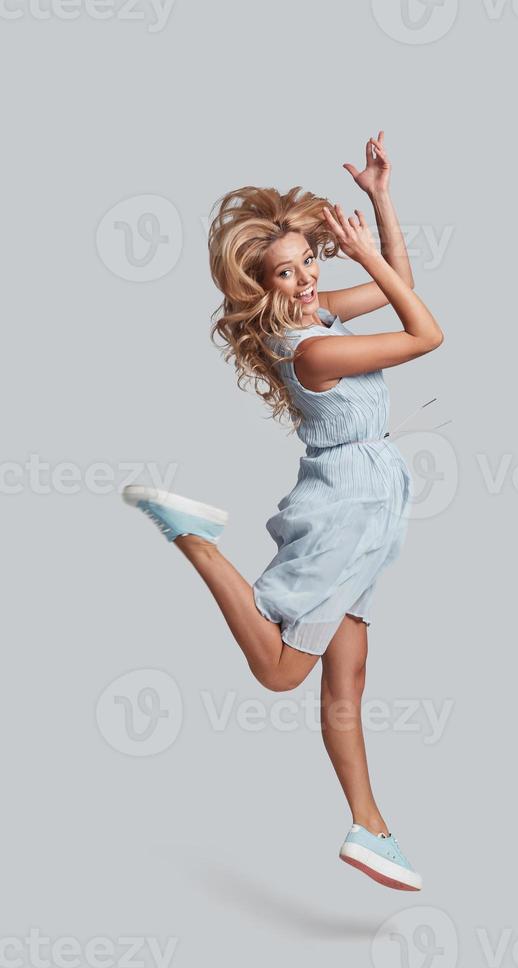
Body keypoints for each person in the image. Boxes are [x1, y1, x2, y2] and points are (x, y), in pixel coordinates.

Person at [122, 132, 443, 891]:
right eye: (285, 272)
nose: (303, 280)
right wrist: (364, 259)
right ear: (262, 285)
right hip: (346, 510)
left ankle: (370, 827)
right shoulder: (312, 351)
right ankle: (195, 540)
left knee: (349, 674)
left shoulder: (317, 317)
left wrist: (381, 201)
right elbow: (427, 331)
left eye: (309, 263)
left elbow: (403, 279)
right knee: (278, 670)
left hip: (370, 504)